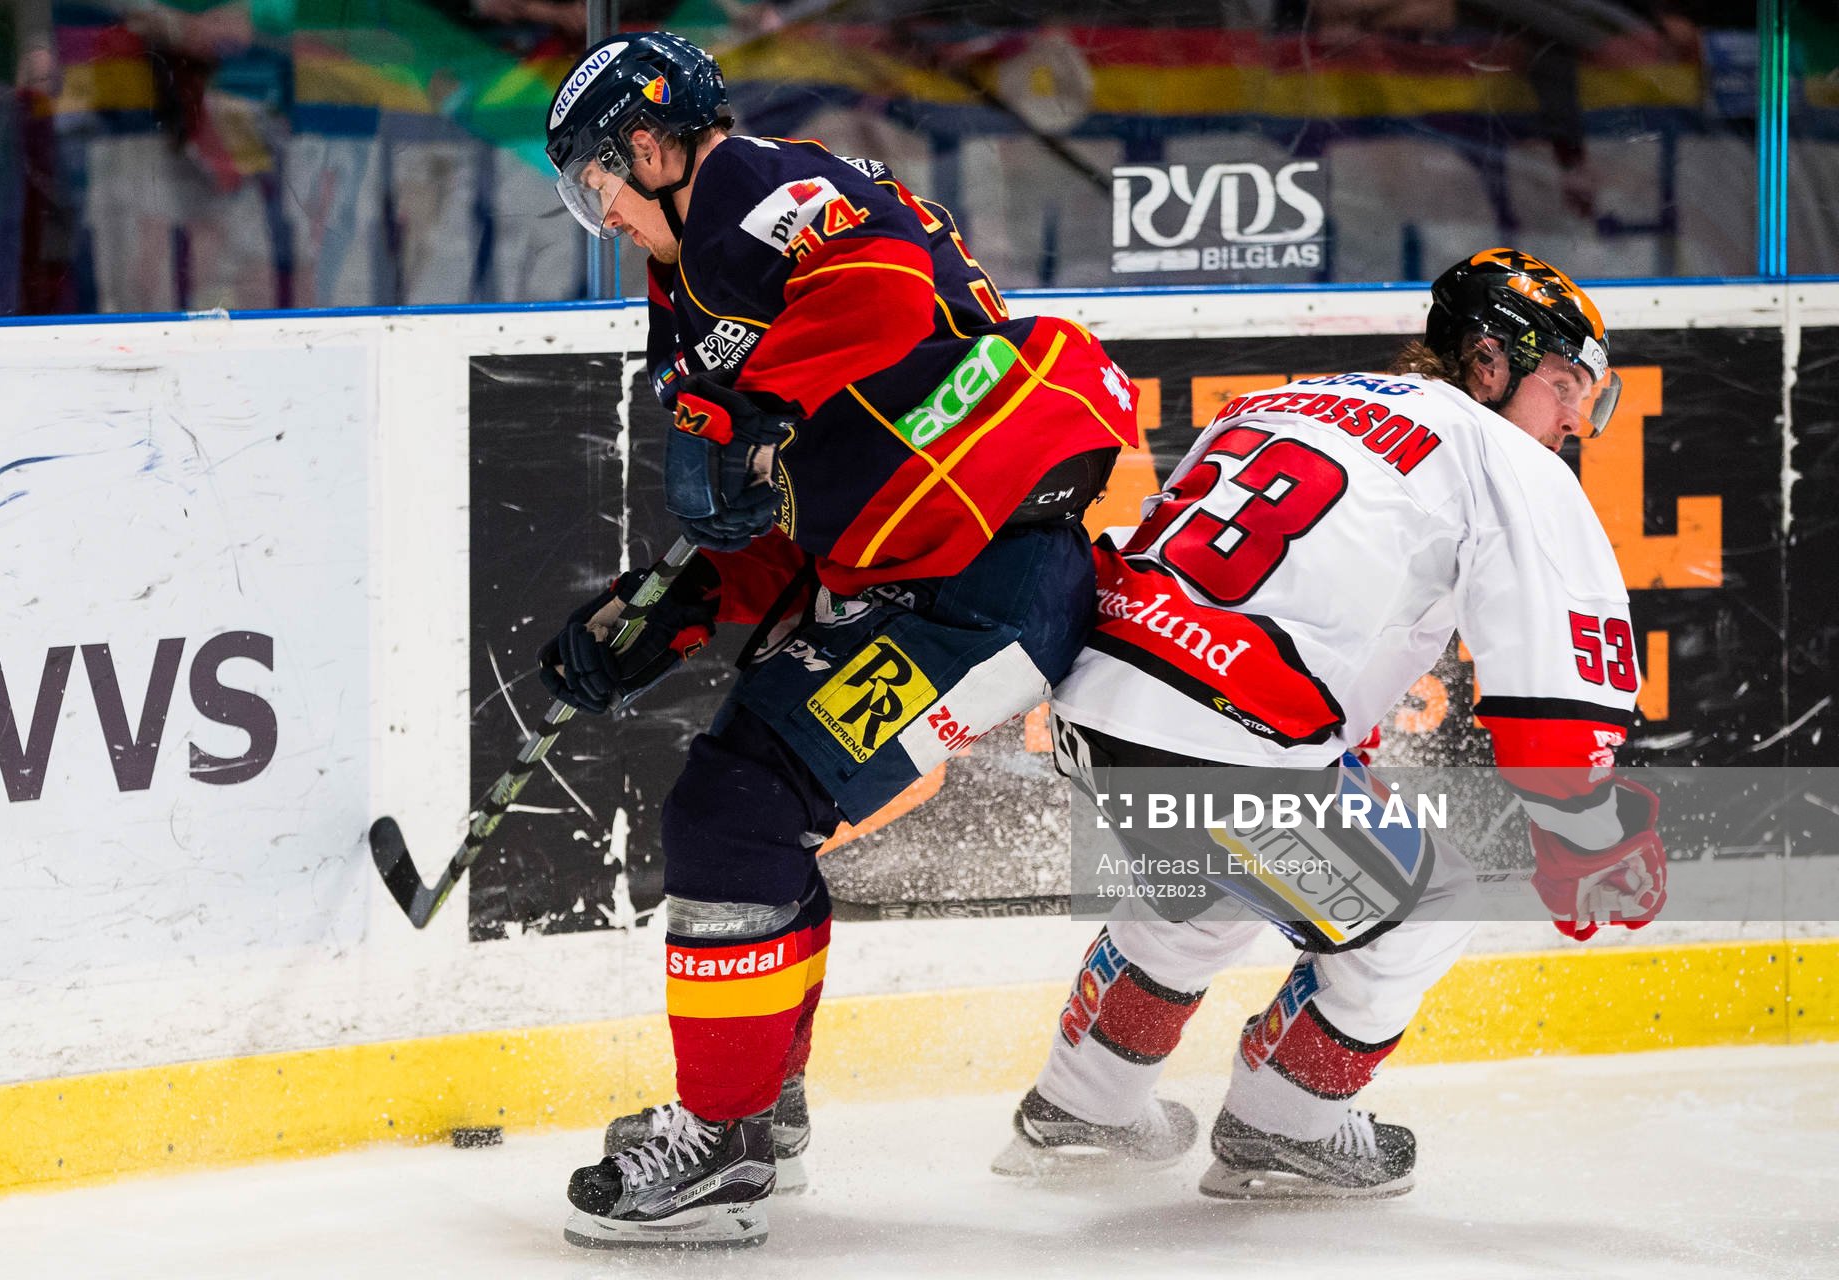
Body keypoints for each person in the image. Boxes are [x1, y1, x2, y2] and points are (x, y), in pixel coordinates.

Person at [536, 30, 1140, 1248]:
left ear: (650, 145)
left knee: (735, 812)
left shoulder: (751, 183)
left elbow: (881, 290)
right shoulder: (692, 283)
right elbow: (779, 505)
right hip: (922, 576)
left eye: (600, 182)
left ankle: (723, 1139)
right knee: (748, 807)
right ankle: (755, 1106)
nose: (604, 216)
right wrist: (666, 612)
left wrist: (743, 411)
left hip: (984, 577)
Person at [993, 248, 1666, 1199]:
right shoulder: (1504, 457)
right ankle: (1285, 1129)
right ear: (1487, 362)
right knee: (1426, 909)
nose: (1571, 420)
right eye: (1563, 385)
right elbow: (1555, 683)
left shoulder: (1288, 399)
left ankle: (1082, 1106)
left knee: (1210, 879)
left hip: (1098, 702)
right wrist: (1586, 827)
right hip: (1225, 738)